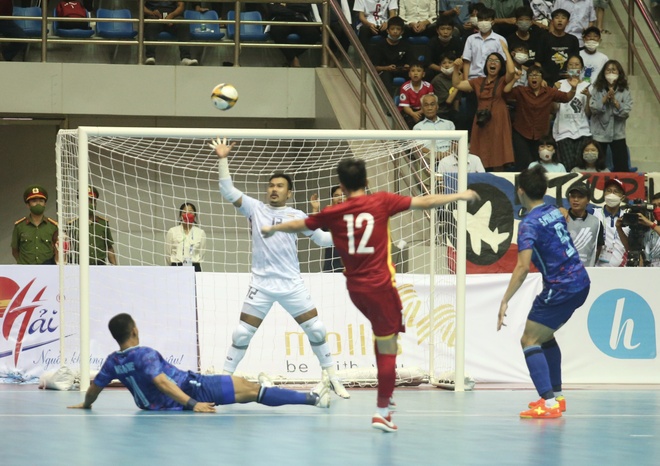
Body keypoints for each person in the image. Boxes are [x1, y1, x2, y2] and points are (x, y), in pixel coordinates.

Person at [261, 157, 480, 432]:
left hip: (355, 289)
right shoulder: (381, 201)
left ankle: (386, 397)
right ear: (366, 181)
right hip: (380, 287)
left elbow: (301, 224)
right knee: (387, 348)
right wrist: (459, 195)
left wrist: (272, 228)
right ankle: (382, 410)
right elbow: (424, 202)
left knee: (386, 336)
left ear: (341, 185)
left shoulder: (334, 211)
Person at [210, 137, 350, 399]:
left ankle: (332, 376)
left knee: (317, 329)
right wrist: (223, 158)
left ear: (289, 192)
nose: (274, 189)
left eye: (280, 186)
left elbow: (322, 240)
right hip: (261, 286)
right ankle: (223, 380)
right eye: (271, 185)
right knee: (241, 334)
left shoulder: (298, 216)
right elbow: (228, 191)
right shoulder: (255, 209)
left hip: (291, 285)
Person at [68, 313, 331, 412]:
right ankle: (313, 399)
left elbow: (94, 388)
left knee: (248, 390)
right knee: (251, 390)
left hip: (159, 405)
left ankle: (300, 396)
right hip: (193, 387)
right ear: (134, 330)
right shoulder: (144, 353)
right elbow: (161, 381)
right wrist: (193, 404)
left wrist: (86, 404)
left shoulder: (112, 362)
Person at [498, 165, 591, 419]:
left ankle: (548, 403)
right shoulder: (554, 211)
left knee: (529, 340)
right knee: (545, 336)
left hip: (561, 287)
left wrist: (505, 300)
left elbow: (522, 267)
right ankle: (557, 397)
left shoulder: (528, 224)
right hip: (581, 281)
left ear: (520, 191)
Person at [453, 40, 516, 171]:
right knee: (481, 148)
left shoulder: (503, 80)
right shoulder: (478, 81)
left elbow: (511, 71)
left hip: (498, 116)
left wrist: (505, 51)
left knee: (498, 150)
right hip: (481, 117)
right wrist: (455, 69)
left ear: (501, 66)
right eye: (490, 60)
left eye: (496, 61)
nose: (492, 63)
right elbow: (457, 85)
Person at [504, 64, 576, 170]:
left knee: (538, 163)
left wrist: (573, 88)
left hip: (540, 134)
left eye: (537, 75)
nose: (534, 77)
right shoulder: (521, 90)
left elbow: (566, 97)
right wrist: (514, 79)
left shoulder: (549, 92)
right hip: (521, 133)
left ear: (542, 78)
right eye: (531, 75)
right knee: (523, 162)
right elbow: (505, 92)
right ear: (527, 78)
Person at [589, 59, 633, 173]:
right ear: (603, 73)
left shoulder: (625, 91)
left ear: (619, 73)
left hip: (617, 133)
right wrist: (605, 99)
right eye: (608, 70)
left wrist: (615, 101)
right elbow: (593, 108)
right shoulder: (597, 89)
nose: (611, 72)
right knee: (598, 167)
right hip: (599, 133)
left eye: (614, 70)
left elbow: (626, 111)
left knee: (622, 166)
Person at [553, 55, 593, 172]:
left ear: (582, 68)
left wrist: (588, 96)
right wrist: (554, 92)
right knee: (568, 166)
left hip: (582, 131)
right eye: (570, 64)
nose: (573, 67)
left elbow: (588, 113)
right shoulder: (559, 84)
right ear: (566, 67)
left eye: (577, 65)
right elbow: (554, 109)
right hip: (564, 132)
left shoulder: (587, 86)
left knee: (582, 167)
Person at [68, 187, 117, 266]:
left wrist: (115, 267)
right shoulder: (72, 224)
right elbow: (67, 248)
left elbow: (109, 247)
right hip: (78, 266)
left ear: (95, 203)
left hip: (99, 266)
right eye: (86, 201)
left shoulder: (103, 224)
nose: (89, 204)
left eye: (92, 201)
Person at [560, 181, 604, 266]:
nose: (575, 200)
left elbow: (598, 248)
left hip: (587, 273)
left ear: (588, 200)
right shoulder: (561, 219)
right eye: (573, 196)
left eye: (580, 197)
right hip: (563, 273)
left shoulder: (596, 223)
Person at [11, 185, 58, 265]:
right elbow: (15, 250)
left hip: (47, 270)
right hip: (25, 270)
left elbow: (57, 249)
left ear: (45, 204)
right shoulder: (20, 226)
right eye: (34, 201)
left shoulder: (53, 226)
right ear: (28, 205)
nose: (38, 204)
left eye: (41, 201)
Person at [143, 1, 197, 66]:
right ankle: (150, 56)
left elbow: (181, 5)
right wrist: (151, 13)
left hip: (172, 16)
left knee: (183, 25)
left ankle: (185, 57)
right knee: (151, 24)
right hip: (154, 16)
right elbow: (140, 5)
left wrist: (172, 15)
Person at [368, 16, 413, 95]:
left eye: (398, 29)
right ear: (388, 31)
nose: (395, 31)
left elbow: (411, 62)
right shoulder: (380, 45)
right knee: (386, 76)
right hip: (385, 71)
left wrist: (408, 66)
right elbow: (374, 67)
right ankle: (388, 102)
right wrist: (386, 68)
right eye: (392, 29)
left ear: (402, 32)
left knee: (415, 73)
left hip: (401, 70)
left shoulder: (406, 45)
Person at [268, 2, 320, 68]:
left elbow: (305, 7)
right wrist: (294, 7)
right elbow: (273, 9)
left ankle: (291, 57)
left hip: (299, 18)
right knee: (276, 32)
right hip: (280, 18)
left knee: (313, 34)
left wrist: (286, 4)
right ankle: (294, 59)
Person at [536, 9, 580, 86]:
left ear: (568, 22)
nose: (560, 20)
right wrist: (541, 79)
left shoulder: (573, 39)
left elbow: (576, 62)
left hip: (567, 81)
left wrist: (572, 76)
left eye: (563, 18)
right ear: (552, 21)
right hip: (546, 81)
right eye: (557, 18)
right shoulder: (544, 38)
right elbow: (537, 62)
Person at [592, 178, 630, 267]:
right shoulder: (593, 214)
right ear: (604, 194)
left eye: (616, 191)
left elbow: (631, 247)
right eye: (609, 191)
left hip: (622, 269)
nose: (611, 194)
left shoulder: (628, 218)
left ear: (622, 197)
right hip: (597, 268)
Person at [310, 186, 344, 272]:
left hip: (352, 266)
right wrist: (315, 209)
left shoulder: (355, 215)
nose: (340, 198)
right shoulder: (328, 214)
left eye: (343, 195)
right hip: (331, 266)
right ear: (332, 198)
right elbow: (314, 230)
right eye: (336, 195)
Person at [166, 202, 207, 272]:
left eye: (190, 212)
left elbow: (202, 254)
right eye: (184, 212)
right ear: (180, 215)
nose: (187, 215)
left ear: (195, 215)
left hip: (194, 267)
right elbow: (167, 254)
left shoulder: (200, 233)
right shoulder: (172, 231)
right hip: (176, 266)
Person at [413, 93, 456, 158]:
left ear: (437, 106)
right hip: (430, 158)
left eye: (432, 104)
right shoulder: (418, 127)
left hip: (450, 157)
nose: (429, 108)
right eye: (426, 105)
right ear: (422, 108)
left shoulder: (449, 124)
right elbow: (419, 147)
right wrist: (436, 155)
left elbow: (455, 143)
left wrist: (447, 154)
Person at [430, 52, 463, 127]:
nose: (447, 65)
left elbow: (457, 100)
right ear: (440, 65)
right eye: (444, 63)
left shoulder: (458, 76)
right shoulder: (437, 80)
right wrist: (458, 84)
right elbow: (448, 101)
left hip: (453, 112)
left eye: (450, 62)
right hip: (441, 112)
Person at [398, 61, 434, 129]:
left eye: (418, 71)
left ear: (423, 74)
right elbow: (405, 107)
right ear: (409, 74)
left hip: (423, 110)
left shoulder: (428, 86)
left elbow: (430, 104)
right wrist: (413, 114)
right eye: (413, 71)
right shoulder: (404, 87)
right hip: (409, 111)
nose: (415, 73)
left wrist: (418, 113)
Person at [642, 193, 660, 267]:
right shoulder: (649, 231)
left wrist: (650, 224)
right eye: (655, 206)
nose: (657, 209)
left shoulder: (651, 225)